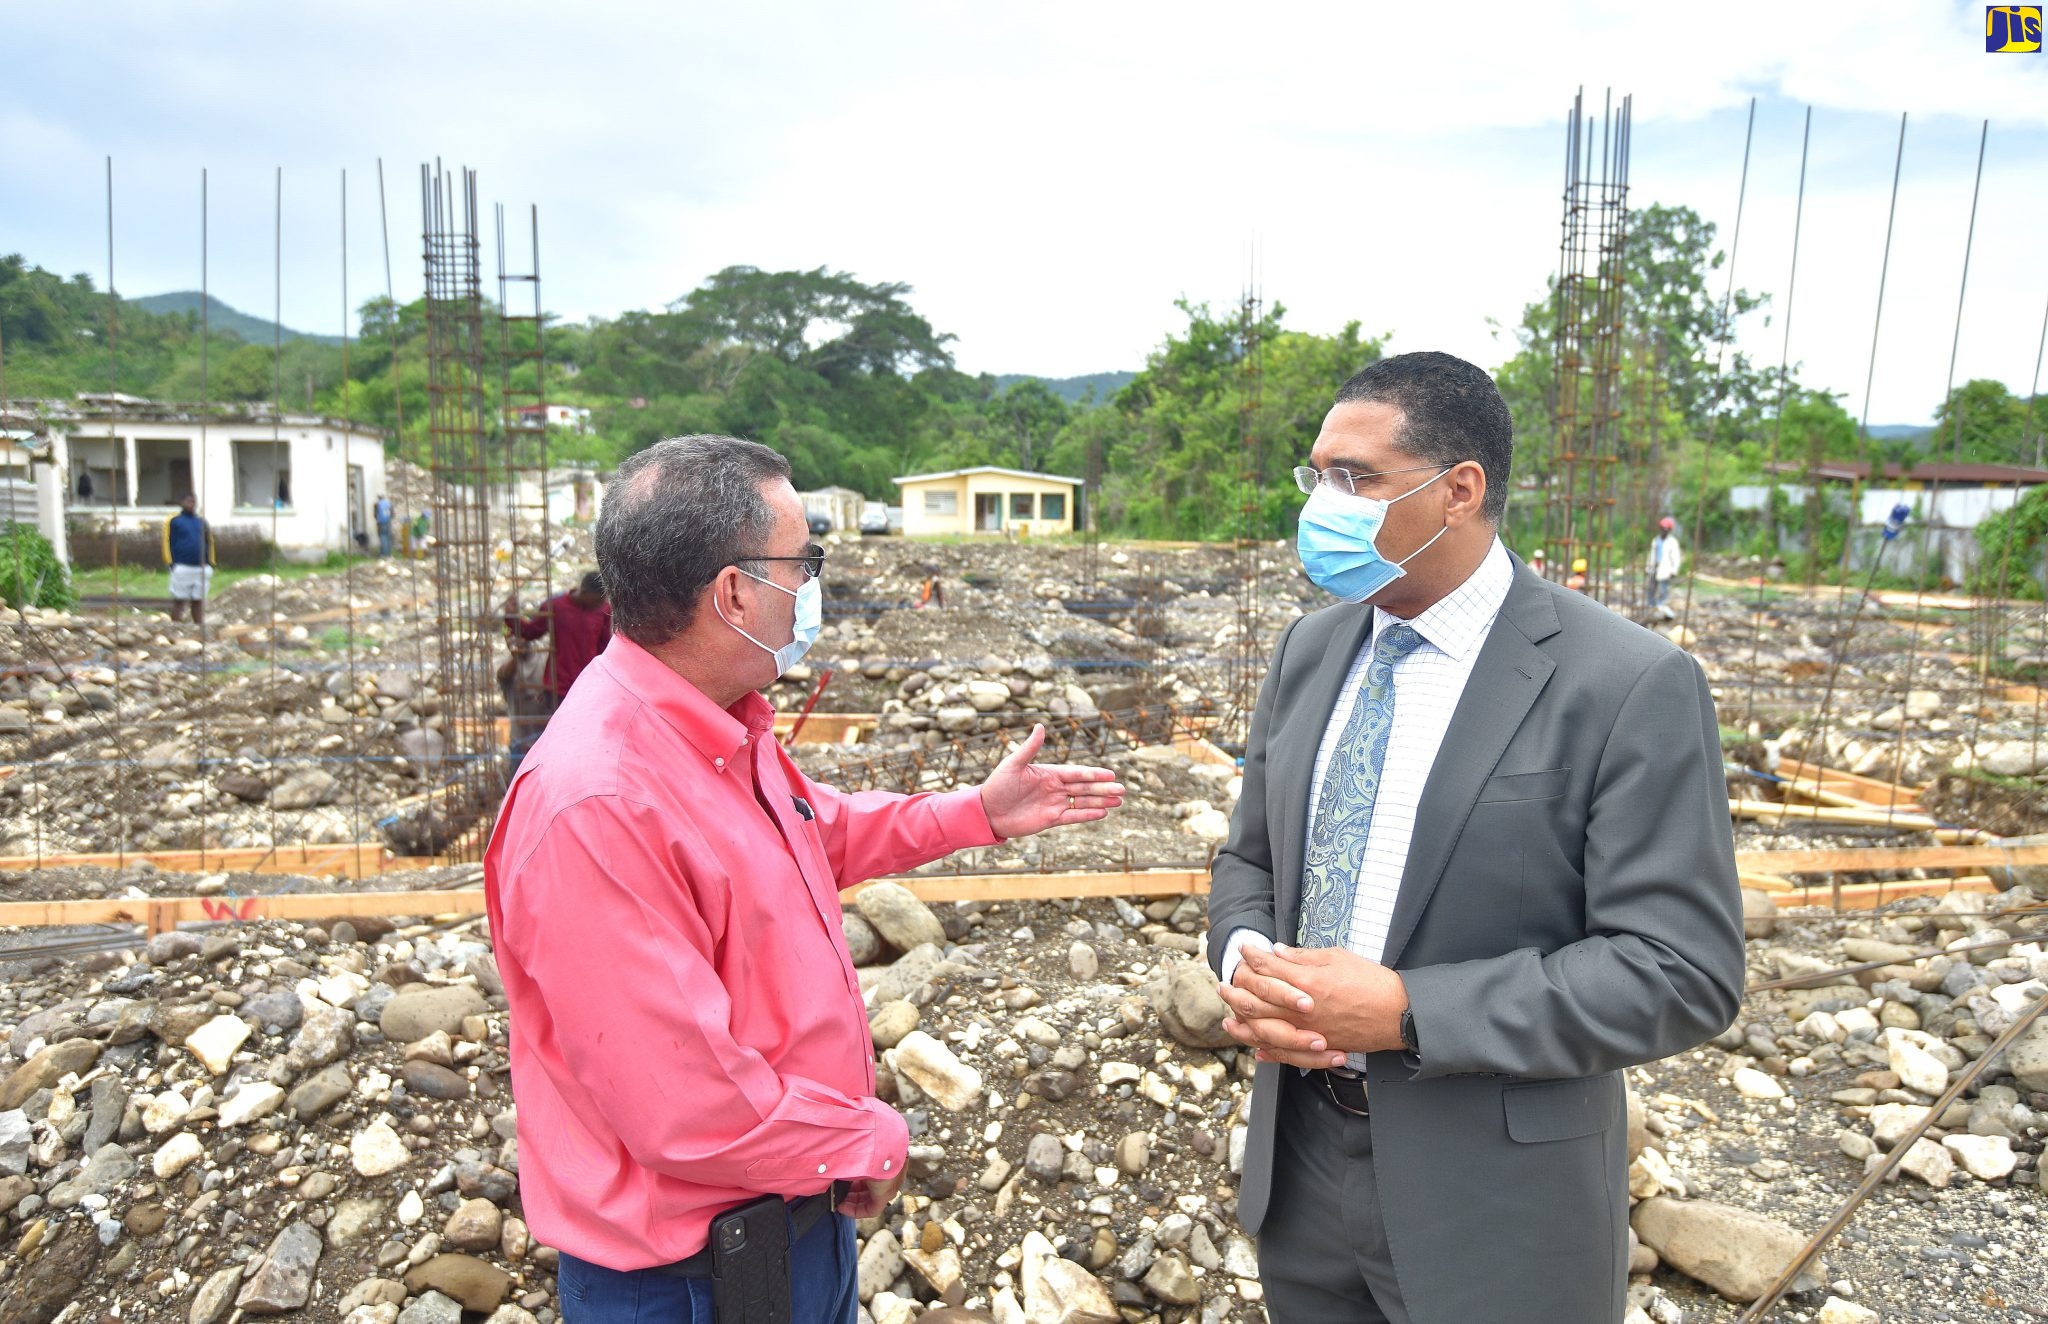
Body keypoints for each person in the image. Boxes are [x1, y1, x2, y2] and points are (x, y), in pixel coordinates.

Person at [484, 435, 1125, 1323]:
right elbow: (685, 1105)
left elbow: (805, 834)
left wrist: (977, 811)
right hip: (691, 1282)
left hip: (784, 1220)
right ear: (735, 592)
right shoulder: (600, 803)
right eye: (803, 561)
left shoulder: (708, 730)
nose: (811, 585)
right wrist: (867, 1138)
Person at [1207, 352, 1743, 1324]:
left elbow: (1680, 970)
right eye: (1317, 474)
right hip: (1303, 1169)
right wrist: (1246, 957)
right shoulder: (1307, 650)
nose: (1322, 502)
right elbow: (1250, 857)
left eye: (1354, 478)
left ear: (1458, 491)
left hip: (1494, 1206)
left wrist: (1411, 1009)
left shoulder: (1622, 683)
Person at [500, 571, 613, 774]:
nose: (601, 604)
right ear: (585, 592)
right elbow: (530, 631)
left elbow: (606, 647)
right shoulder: (555, 608)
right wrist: (511, 617)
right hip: (559, 687)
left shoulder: (603, 610)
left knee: (587, 742)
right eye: (598, 599)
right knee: (561, 741)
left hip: (590, 687)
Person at [160, 492, 215, 627]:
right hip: (182, 566)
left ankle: (198, 627)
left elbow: (209, 542)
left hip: (202, 567)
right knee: (179, 600)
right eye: (188, 501)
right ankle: (175, 627)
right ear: (182, 503)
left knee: (198, 600)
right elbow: (166, 541)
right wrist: (170, 563)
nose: (191, 504)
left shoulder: (201, 521)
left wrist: (211, 563)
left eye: (193, 501)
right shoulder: (174, 520)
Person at [1647, 516, 1683, 619]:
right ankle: (1651, 605)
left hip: (1665, 569)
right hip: (1654, 567)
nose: (1664, 531)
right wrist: (1647, 567)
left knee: (1663, 589)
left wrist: (1674, 570)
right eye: (1663, 529)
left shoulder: (1672, 542)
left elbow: (1676, 557)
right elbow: (1651, 555)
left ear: (1669, 531)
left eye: (1666, 530)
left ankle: (1661, 606)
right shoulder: (1655, 540)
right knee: (1651, 587)